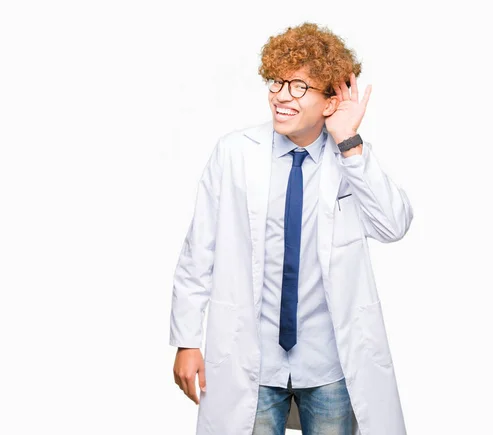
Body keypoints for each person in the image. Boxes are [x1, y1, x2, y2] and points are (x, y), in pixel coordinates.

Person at [169, 22, 413, 435]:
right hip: (253, 360)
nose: (281, 96)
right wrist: (187, 339)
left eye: (299, 87)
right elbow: (199, 250)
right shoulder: (234, 153)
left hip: (330, 363)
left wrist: (349, 141)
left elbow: (393, 225)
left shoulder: (349, 158)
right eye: (277, 82)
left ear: (331, 100)